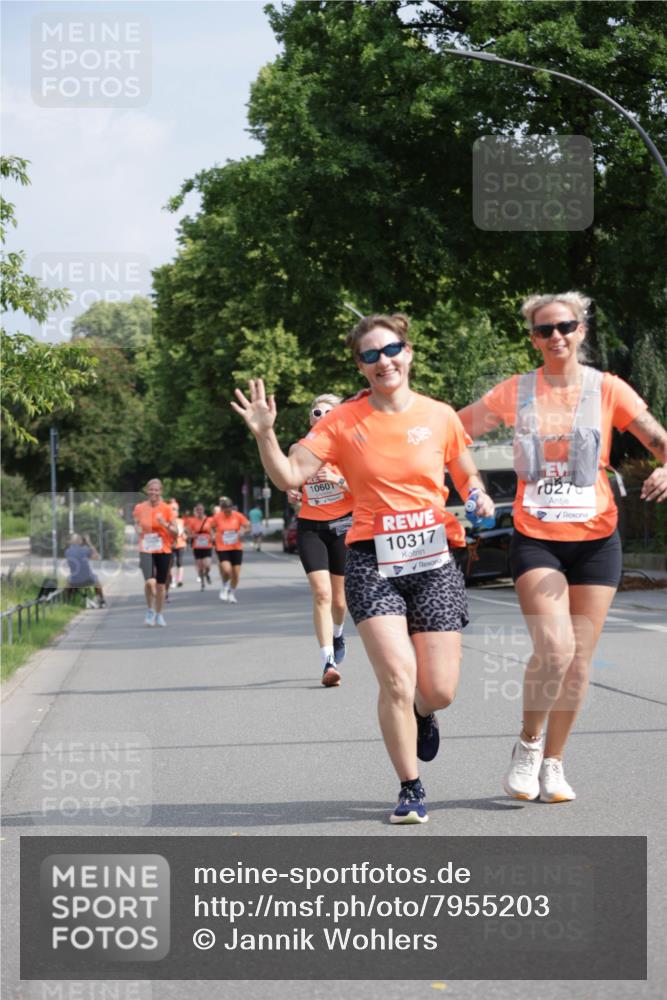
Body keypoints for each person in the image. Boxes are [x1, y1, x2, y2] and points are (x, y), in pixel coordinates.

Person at [232, 313, 494, 824]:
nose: (383, 362)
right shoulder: (341, 422)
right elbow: (289, 473)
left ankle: (424, 712)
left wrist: (478, 492)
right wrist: (265, 435)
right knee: (397, 677)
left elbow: (465, 470)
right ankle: (410, 787)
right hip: (372, 559)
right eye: (370, 356)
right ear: (360, 366)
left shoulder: (440, 415)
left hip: (434, 560)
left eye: (391, 350)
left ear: (408, 352)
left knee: (438, 687)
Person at [458, 291, 667, 803]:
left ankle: (555, 762)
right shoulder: (517, 391)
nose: (555, 337)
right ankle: (528, 746)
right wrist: (473, 486)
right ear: (532, 338)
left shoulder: (608, 389)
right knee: (555, 649)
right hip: (537, 538)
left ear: (581, 331)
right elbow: (452, 433)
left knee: (579, 661)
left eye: (564, 327)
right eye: (543, 330)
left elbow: (659, 441)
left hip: (597, 539)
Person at [287, 394, 353, 686]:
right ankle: (328, 661)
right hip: (310, 527)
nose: (322, 415)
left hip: (343, 526)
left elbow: (364, 490)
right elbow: (291, 482)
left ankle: (338, 634)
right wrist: (291, 494)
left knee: (339, 600)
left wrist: (337, 480)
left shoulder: (350, 450)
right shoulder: (299, 449)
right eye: (317, 411)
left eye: (329, 411)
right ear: (310, 418)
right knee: (322, 593)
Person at [133, 478, 178, 627]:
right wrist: (138, 529)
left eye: (156, 490)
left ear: (161, 492)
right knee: (150, 582)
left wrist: (164, 523)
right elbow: (137, 524)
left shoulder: (167, 509)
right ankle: (150, 610)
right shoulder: (139, 508)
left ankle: (159, 614)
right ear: (147, 490)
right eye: (151, 489)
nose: (153, 492)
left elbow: (175, 533)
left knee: (160, 586)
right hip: (146, 549)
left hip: (163, 549)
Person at [211, 496, 250, 603]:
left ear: (232, 507)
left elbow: (247, 526)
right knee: (227, 570)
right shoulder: (217, 517)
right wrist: (213, 535)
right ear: (222, 509)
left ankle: (232, 593)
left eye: (229, 509)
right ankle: (224, 586)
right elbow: (211, 527)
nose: (228, 511)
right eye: (225, 510)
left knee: (236, 574)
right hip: (222, 547)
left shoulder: (238, 516)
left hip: (236, 547)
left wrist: (243, 531)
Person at [64, 533, 106, 607]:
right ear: (80, 541)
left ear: (71, 542)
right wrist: (89, 543)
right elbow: (98, 557)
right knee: (97, 580)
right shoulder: (85, 549)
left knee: (68, 580)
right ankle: (101, 601)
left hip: (74, 581)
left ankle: (67, 601)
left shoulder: (67, 552)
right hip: (88, 579)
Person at [186, 502, 215, 591]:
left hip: (207, 545)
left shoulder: (209, 520)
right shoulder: (192, 520)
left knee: (207, 565)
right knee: (200, 566)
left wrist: (212, 537)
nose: (199, 511)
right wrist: (192, 536)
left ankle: (207, 574)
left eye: (201, 509)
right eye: (198, 510)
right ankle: (202, 583)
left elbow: (213, 531)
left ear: (203, 510)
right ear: (196, 511)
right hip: (197, 546)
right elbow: (188, 534)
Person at [168, 499, 187, 588]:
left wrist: (184, 536)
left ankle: (179, 580)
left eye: (175, 509)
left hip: (180, 544)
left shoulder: (181, 521)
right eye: (172, 509)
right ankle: (172, 579)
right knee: (170, 563)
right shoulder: (167, 521)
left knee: (180, 562)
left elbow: (182, 532)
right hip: (170, 544)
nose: (174, 511)